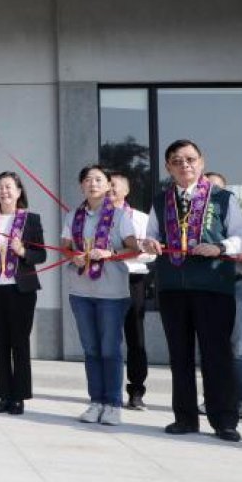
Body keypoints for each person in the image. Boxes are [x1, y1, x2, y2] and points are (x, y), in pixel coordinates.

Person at [138, 141, 242, 442]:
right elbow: (150, 236)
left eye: (190, 159)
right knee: (180, 355)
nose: (184, 165)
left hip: (214, 286)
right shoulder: (161, 201)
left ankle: (224, 420)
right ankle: (185, 418)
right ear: (168, 168)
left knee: (217, 355)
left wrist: (219, 247)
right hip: (173, 287)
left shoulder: (222, 198)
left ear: (201, 162)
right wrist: (149, 244)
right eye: (177, 161)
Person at [62, 165, 136, 426]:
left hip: (112, 293)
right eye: (87, 180)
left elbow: (134, 249)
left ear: (108, 185)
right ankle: (95, 401)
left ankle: (113, 403)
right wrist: (76, 256)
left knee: (110, 349)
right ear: (81, 185)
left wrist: (109, 254)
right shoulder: (73, 216)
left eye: (98, 179)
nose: (92, 184)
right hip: (80, 291)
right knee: (91, 349)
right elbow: (65, 249)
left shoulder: (120, 215)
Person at [0, 172, 47, 416]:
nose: (4, 191)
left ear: (18, 191)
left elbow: (41, 255)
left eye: (8, 187)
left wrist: (22, 250)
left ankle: (19, 397)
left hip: (21, 290)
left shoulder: (31, 220)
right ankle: (4, 395)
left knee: (20, 343)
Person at [205, 171, 242, 421]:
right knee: (209, 345)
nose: (213, 193)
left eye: (217, 188)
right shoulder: (197, 218)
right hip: (205, 284)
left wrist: (241, 253)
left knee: (237, 345)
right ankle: (213, 398)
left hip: (234, 281)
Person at [108, 171, 154, 411]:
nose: (110, 189)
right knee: (107, 337)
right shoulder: (98, 218)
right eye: (108, 186)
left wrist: (127, 252)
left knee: (135, 336)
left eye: (115, 186)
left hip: (133, 278)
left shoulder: (140, 218)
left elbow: (152, 252)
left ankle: (136, 390)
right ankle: (108, 390)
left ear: (126, 191)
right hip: (104, 279)